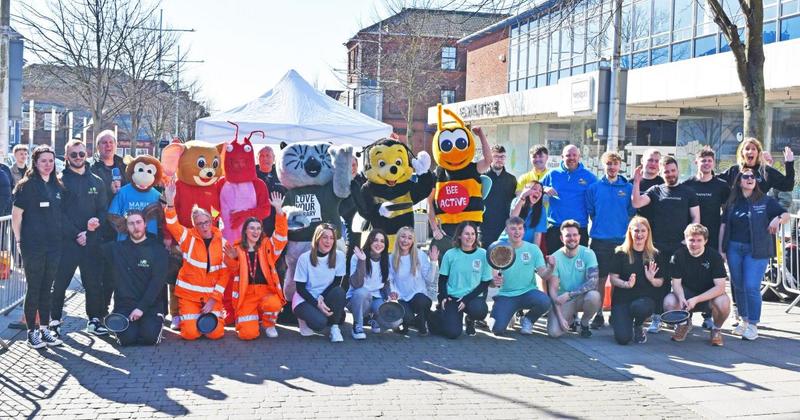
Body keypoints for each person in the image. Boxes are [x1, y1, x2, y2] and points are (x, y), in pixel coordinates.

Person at [632, 155, 700, 334]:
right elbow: (637, 202)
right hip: (658, 246)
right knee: (658, 283)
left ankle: (683, 319)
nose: (670, 174)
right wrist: (637, 182)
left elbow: (696, 219)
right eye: (666, 172)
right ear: (661, 173)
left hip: (680, 247)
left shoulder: (688, 192)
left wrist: (688, 241)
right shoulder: (656, 190)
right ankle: (656, 318)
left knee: (680, 284)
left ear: (677, 171)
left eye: (673, 171)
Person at [719, 168, 789, 341]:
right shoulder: (732, 201)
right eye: (746, 176)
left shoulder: (765, 201)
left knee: (751, 286)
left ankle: (753, 324)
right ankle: (744, 320)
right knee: (738, 285)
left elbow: (786, 214)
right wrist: (721, 248)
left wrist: (777, 219)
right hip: (734, 248)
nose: (750, 179)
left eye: (753, 177)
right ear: (739, 181)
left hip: (757, 250)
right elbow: (723, 226)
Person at [50, 140, 108, 337]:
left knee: (93, 283)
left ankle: (94, 320)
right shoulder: (59, 181)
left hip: (91, 242)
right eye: (73, 154)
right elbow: (57, 214)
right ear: (66, 156)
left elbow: (103, 210)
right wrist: (77, 234)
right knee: (60, 283)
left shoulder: (97, 182)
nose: (78, 158)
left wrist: (91, 231)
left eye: (81, 154)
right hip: (67, 243)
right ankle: (54, 321)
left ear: (87, 154)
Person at [11, 145, 65, 349]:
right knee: (34, 287)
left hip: (54, 245)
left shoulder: (56, 185)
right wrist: (19, 241)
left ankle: (44, 329)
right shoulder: (26, 186)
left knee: (46, 288)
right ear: (35, 162)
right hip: (33, 245)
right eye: (43, 161)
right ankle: (31, 332)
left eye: (51, 161)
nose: (48, 164)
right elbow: (16, 216)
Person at [164, 179, 228, 340]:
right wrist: (170, 202)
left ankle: (208, 318)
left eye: (206, 222)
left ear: (211, 221)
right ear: (195, 225)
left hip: (211, 298)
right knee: (191, 334)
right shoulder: (188, 237)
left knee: (216, 333)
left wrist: (213, 301)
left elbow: (225, 274)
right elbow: (172, 224)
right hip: (189, 296)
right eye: (199, 224)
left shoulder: (222, 242)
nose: (204, 226)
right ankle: (193, 320)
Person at [222, 192, 288, 340]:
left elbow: (281, 237)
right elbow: (232, 272)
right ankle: (251, 318)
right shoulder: (237, 248)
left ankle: (268, 323)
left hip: (265, 291)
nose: (255, 231)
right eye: (252, 228)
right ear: (245, 230)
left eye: (258, 228)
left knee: (274, 304)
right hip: (247, 294)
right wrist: (232, 259)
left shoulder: (267, 246)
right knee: (248, 335)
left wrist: (278, 211)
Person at [102, 211, 167, 346]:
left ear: (145, 224)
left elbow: (157, 283)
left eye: (138, 222)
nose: (135, 227)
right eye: (131, 223)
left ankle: (154, 323)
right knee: (127, 340)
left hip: (150, 306)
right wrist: (90, 232)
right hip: (125, 306)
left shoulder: (158, 250)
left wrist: (141, 308)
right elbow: (94, 250)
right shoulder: (117, 249)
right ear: (126, 226)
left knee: (149, 338)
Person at [585, 151, 634, 329]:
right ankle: (598, 314)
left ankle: (616, 312)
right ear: (603, 166)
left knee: (618, 279)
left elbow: (630, 212)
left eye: (615, 164)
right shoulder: (594, 187)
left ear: (619, 166)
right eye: (608, 164)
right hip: (600, 240)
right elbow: (591, 211)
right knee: (600, 278)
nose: (612, 167)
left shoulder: (627, 188)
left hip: (621, 241)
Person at [664, 224, 730, 346]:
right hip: (687, 295)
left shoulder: (714, 256)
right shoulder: (678, 256)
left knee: (724, 302)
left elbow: (720, 288)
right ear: (686, 239)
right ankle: (683, 324)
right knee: (669, 301)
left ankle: (716, 329)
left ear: (705, 241)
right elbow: (676, 284)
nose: (695, 244)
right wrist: (681, 297)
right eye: (691, 240)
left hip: (708, 296)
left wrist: (697, 299)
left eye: (699, 240)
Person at [489, 217, 553, 336]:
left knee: (545, 301)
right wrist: (494, 281)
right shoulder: (499, 249)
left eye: (520, 228)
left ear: (524, 231)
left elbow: (543, 275)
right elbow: (492, 281)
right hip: (507, 295)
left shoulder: (533, 249)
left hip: (528, 293)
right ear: (506, 230)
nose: (517, 232)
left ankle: (528, 320)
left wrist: (551, 268)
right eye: (513, 229)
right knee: (496, 329)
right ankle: (507, 312)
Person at [429, 222, 492, 339]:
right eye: (466, 234)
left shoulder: (483, 254)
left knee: (480, 310)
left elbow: (485, 282)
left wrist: (467, 299)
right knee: (452, 333)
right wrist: (443, 296)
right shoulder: (450, 254)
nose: (470, 237)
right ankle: (439, 315)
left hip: (472, 298)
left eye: (473, 234)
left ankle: (470, 319)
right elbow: (442, 279)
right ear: (459, 236)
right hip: (453, 297)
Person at [608, 217, 664, 345]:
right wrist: (626, 284)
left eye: (643, 231)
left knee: (641, 307)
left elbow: (660, 282)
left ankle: (638, 325)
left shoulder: (655, 254)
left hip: (643, 300)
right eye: (636, 230)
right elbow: (613, 279)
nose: (639, 234)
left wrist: (652, 279)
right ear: (630, 232)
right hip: (622, 300)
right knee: (623, 339)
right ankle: (620, 320)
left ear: (648, 233)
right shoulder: (620, 253)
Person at [90, 130, 129, 318]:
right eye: (103, 142)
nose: (108, 145)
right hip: (101, 229)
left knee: (117, 274)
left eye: (110, 142)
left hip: (121, 229)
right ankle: (101, 311)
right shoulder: (93, 168)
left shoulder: (123, 166)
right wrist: (109, 190)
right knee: (101, 274)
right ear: (98, 147)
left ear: (116, 144)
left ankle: (119, 310)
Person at [292, 223, 347, 342]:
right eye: (325, 237)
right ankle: (303, 319)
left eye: (332, 238)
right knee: (320, 323)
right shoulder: (304, 258)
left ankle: (335, 328)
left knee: (339, 292)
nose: (328, 241)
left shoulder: (340, 256)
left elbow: (336, 283)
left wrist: (322, 297)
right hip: (305, 298)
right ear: (317, 239)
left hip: (324, 297)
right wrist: (317, 303)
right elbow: (300, 288)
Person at [546, 220, 601, 338]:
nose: (572, 238)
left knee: (594, 296)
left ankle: (584, 323)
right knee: (554, 332)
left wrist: (569, 294)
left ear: (580, 237)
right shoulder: (555, 257)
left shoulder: (588, 253)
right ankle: (570, 319)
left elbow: (593, 282)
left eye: (575, 235)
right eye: (568, 235)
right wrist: (560, 318)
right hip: (563, 301)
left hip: (581, 297)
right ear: (561, 238)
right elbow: (553, 291)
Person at [541, 145, 597, 252]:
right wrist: (544, 188)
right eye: (568, 155)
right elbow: (536, 187)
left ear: (579, 156)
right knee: (554, 264)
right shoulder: (553, 174)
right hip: (556, 228)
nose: (571, 158)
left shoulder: (588, 176)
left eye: (574, 155)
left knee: (578, 265)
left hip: (579, 228)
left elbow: (599, 192)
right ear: (562, 157)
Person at [388, 226, 438, 335]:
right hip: (401, 297)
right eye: (403, 237)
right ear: (398, 238)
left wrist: (433, 262)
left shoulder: (420, 255)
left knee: (422, 301)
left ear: (413, 241)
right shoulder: (392, 257)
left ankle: (423, 317)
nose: (405, 240)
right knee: (408, 319)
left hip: (417, 296)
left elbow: (429, 280)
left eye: (410, 238)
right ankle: (415, 321)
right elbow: (390, 279)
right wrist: (393, 292)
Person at [347, 229, 390, 339]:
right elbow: (356, 284)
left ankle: (374, 318)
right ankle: (357, 325)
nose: (379, 244)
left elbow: (385, 283)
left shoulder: (386, 259)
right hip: (358, 299)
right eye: (375, 240)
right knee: (362, 292)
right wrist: (362, 261)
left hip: (376, 298)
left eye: (382, 241)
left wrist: (389, 295)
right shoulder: (357, 256)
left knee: (393, 322)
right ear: (369, 241)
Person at [719, 138, 794, 194]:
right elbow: (713, 180)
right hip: (737, 212)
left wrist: (789, 163)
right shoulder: (734, 170)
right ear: (742, 153)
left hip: (758, 212)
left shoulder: (766, 171)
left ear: (758, 153)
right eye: (747, 149)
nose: (750, 151)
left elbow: (788, 185)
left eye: (753, 149)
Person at [481, 145, 518, 246]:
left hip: (504, 228)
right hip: (485, 227)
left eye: (502, 157)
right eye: (496, 156)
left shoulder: (511, 179)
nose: (499, 159)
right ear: (491, 158)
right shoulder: (482, 178)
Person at [255, 145, 286, 237]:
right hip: (258, 223)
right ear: (257, 159)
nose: (265, 158)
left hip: (278, 221)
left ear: (274, 158)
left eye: (268, 155)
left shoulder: (281, 173)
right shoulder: (251, 175)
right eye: (262, 156)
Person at [509, 181, 547, 245]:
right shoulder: (516, 201)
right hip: (510, 242)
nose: (537, 192)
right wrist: (522, 196)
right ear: (526, 190)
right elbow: (513, 218)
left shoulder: (541, 209)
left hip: (527, 245)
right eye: (534, 189)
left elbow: (538, 234)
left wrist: (535, 252)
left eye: (540, 191)